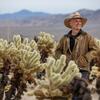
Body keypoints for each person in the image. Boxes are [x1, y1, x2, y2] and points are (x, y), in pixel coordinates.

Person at [55, 12, 98, 80]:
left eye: (80, 21)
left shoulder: (87, 37)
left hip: (83, 69)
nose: (78, 23)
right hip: (67, 70)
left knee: (81, 85)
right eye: (76, 21)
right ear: (70, 23)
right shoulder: (64, 38)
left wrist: (86, 58)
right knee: (67, 87)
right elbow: (58, 50)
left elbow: (95, 49)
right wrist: (63, 60)